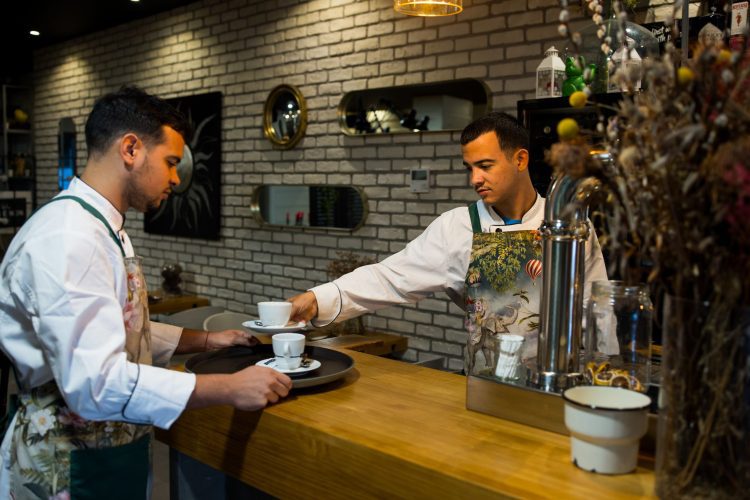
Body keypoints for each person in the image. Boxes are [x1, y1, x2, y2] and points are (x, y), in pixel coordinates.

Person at [0, 86, 292, 499]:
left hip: (109, 454)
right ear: (132, 149)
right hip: (65, 468)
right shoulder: (70, 238)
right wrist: (229, 387)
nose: (176, 178)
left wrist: (205, 340)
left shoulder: (101, 226)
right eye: (171, 162)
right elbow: (95, 385)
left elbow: (114, 329)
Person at [289, 111, 608, 374]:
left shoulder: (569, 226)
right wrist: (317, 298)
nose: (475, 180)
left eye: (485, 166)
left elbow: (598, 307)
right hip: (486, 384)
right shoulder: (457, 227)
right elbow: (390, 277)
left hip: (559, 383)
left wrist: (605, 373)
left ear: (520, 159)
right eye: (469, 168)